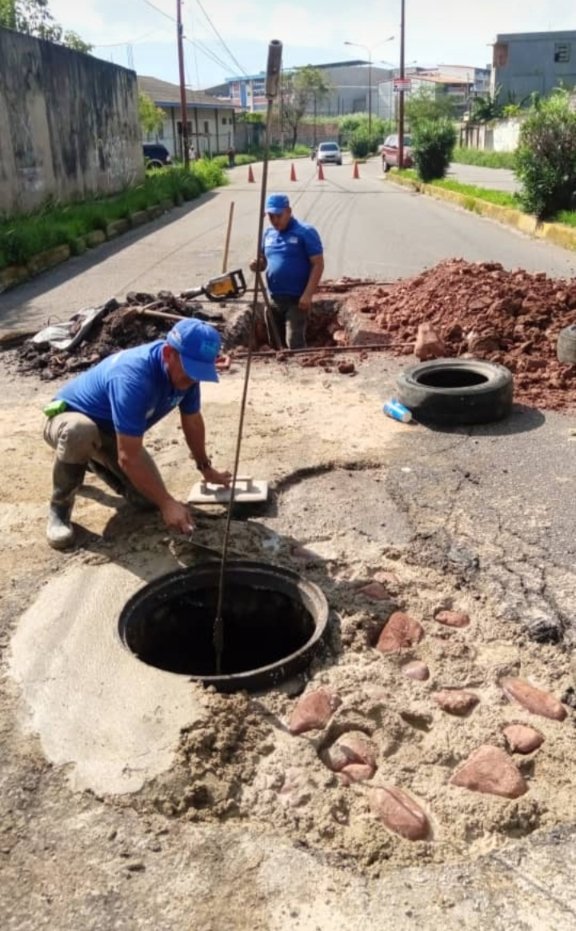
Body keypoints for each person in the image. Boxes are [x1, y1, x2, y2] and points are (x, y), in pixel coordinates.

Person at [42, 318, 231, 550]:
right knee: (80, 432)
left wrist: (206, 468)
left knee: (146, 500)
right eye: (190, 370)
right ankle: (59, 508)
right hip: (68, 419)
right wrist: (167, 503)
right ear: (169, 353)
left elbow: (192, 421)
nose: (192, 379)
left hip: (114, 432)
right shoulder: (133, 377)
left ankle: (92, 460)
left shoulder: (188, 376)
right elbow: (129, 457)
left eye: (199, 372)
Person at [251, 193, 324, 350]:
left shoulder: (305, 232)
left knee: (294, 342)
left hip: (297, 300)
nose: (275, 220)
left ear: (289, 211)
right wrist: (257, 264)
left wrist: (308, 294)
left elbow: (318, 264)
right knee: (276, 343)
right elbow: (263, 262)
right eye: (271, 216)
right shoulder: (268, 235)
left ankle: (302, 370)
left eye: (279, 215)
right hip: (274, 299)